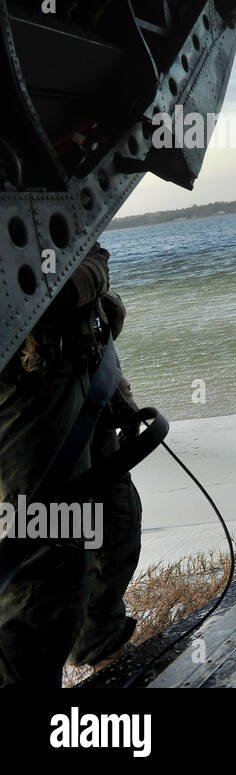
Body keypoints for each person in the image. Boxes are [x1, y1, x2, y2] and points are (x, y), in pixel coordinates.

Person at [0, 243, 143, 687]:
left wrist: (114, 387)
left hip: (81, 362)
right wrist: (90, 272)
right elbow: (49, 283)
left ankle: (103, 650)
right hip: (29, 375)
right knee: (51, 547)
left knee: (115, 515)